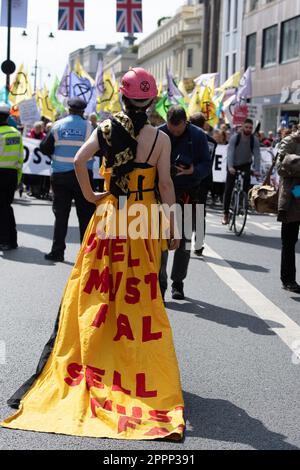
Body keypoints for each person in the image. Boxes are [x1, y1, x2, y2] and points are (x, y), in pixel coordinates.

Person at [1, 68, 185, 441]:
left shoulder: (105, 130)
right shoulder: (161, 139)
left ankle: (96, 354)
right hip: (143, 219)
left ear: (121, 98)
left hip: (110, 216)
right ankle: (134, 360)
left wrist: (90, 195)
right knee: (140, 292)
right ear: (152, 103)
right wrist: (174, 227)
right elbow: (165, 184)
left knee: (97, 290)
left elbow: (79, 162)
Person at [159, 106, 211, 300]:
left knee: (184, 242)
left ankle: (177, 283)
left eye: (178, 130)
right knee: (162, 240)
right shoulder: (159, 133)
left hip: (189, 192)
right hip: (162, 193)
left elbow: (206, 164)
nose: (174, 132)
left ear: (185, 122)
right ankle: (159, 283)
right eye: (172, 129)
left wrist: (192, 171)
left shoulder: (198, 135)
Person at [40, 98, 95, 262]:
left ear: (68, 109)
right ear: (83, 111)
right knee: (85, 216)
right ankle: (86, 254)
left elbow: (44, 147)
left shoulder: (57, 125)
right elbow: (99, 149)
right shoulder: (89, 127)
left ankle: (57, 252)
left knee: (61, 215)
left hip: (60, 177)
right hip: (82, 176)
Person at [222, 118, 261, 225]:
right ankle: (225, 213)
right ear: (242, 127)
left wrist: (257, 170)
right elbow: (230, 152)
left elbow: (257, 155)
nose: (248, 129)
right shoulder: (235, 138)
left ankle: (243, 202)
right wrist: (230, 167)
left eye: (250, 128)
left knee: (246, 185)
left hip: (245, 164)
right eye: (246, 127)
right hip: (233, 164)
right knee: (229, 188)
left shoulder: (254, 140)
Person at [277, 128, 300, 294]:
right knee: (289, 241)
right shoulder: (290, 141)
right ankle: (288, 279)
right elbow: (280, 168)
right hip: (293, 195)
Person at [190, 112, 217, 256]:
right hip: (205, 180)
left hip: (191, 178)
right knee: (200, 213)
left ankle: (187, 243)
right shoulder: (212, 142)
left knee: (188, 210)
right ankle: (199, 244)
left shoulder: (190, 138)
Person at [0, 103, 24, 251]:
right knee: (6, 207)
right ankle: (11, 240)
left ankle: (5, 240)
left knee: (2, 209)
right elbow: (21, 158)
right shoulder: (16, 133)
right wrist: (18, 179)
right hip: (12, 174)